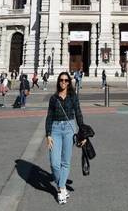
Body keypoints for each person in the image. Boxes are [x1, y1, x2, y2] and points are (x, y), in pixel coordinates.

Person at [45, 72, 85, 205]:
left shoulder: (73, 97)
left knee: (65, 161)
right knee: (54, 162)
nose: (63, 82)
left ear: (69, 82)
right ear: (58, 82)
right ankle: (62, 187)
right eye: (61, 80)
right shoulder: (53, 98)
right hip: (55, 129)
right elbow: (49, 117)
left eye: (66, 80)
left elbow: (78, 114)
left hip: (69, 129)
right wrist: (48, 135)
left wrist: (82, 133)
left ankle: (60, 189)